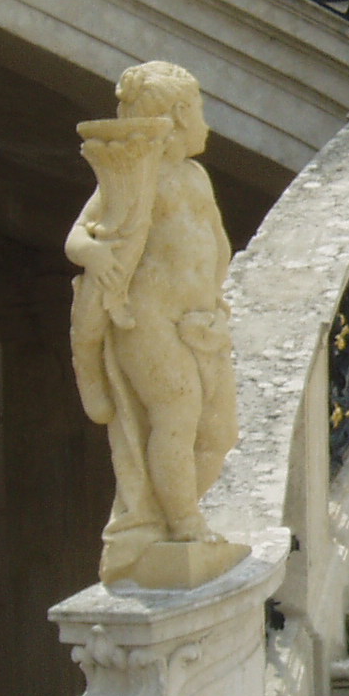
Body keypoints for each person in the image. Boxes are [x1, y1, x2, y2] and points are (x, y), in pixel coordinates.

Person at [68, 61, 242, 587]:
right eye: (200, 110)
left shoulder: (197, 177)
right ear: (179, 116)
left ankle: (163, 514)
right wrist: (94, 255)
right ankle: (183, 526)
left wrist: (215, 303)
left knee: (220, 432)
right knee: (176, 415)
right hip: (147, 319)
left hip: (200, 322)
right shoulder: (135, 175)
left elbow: (216, 241)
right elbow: (77, 237)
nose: (206, 123)